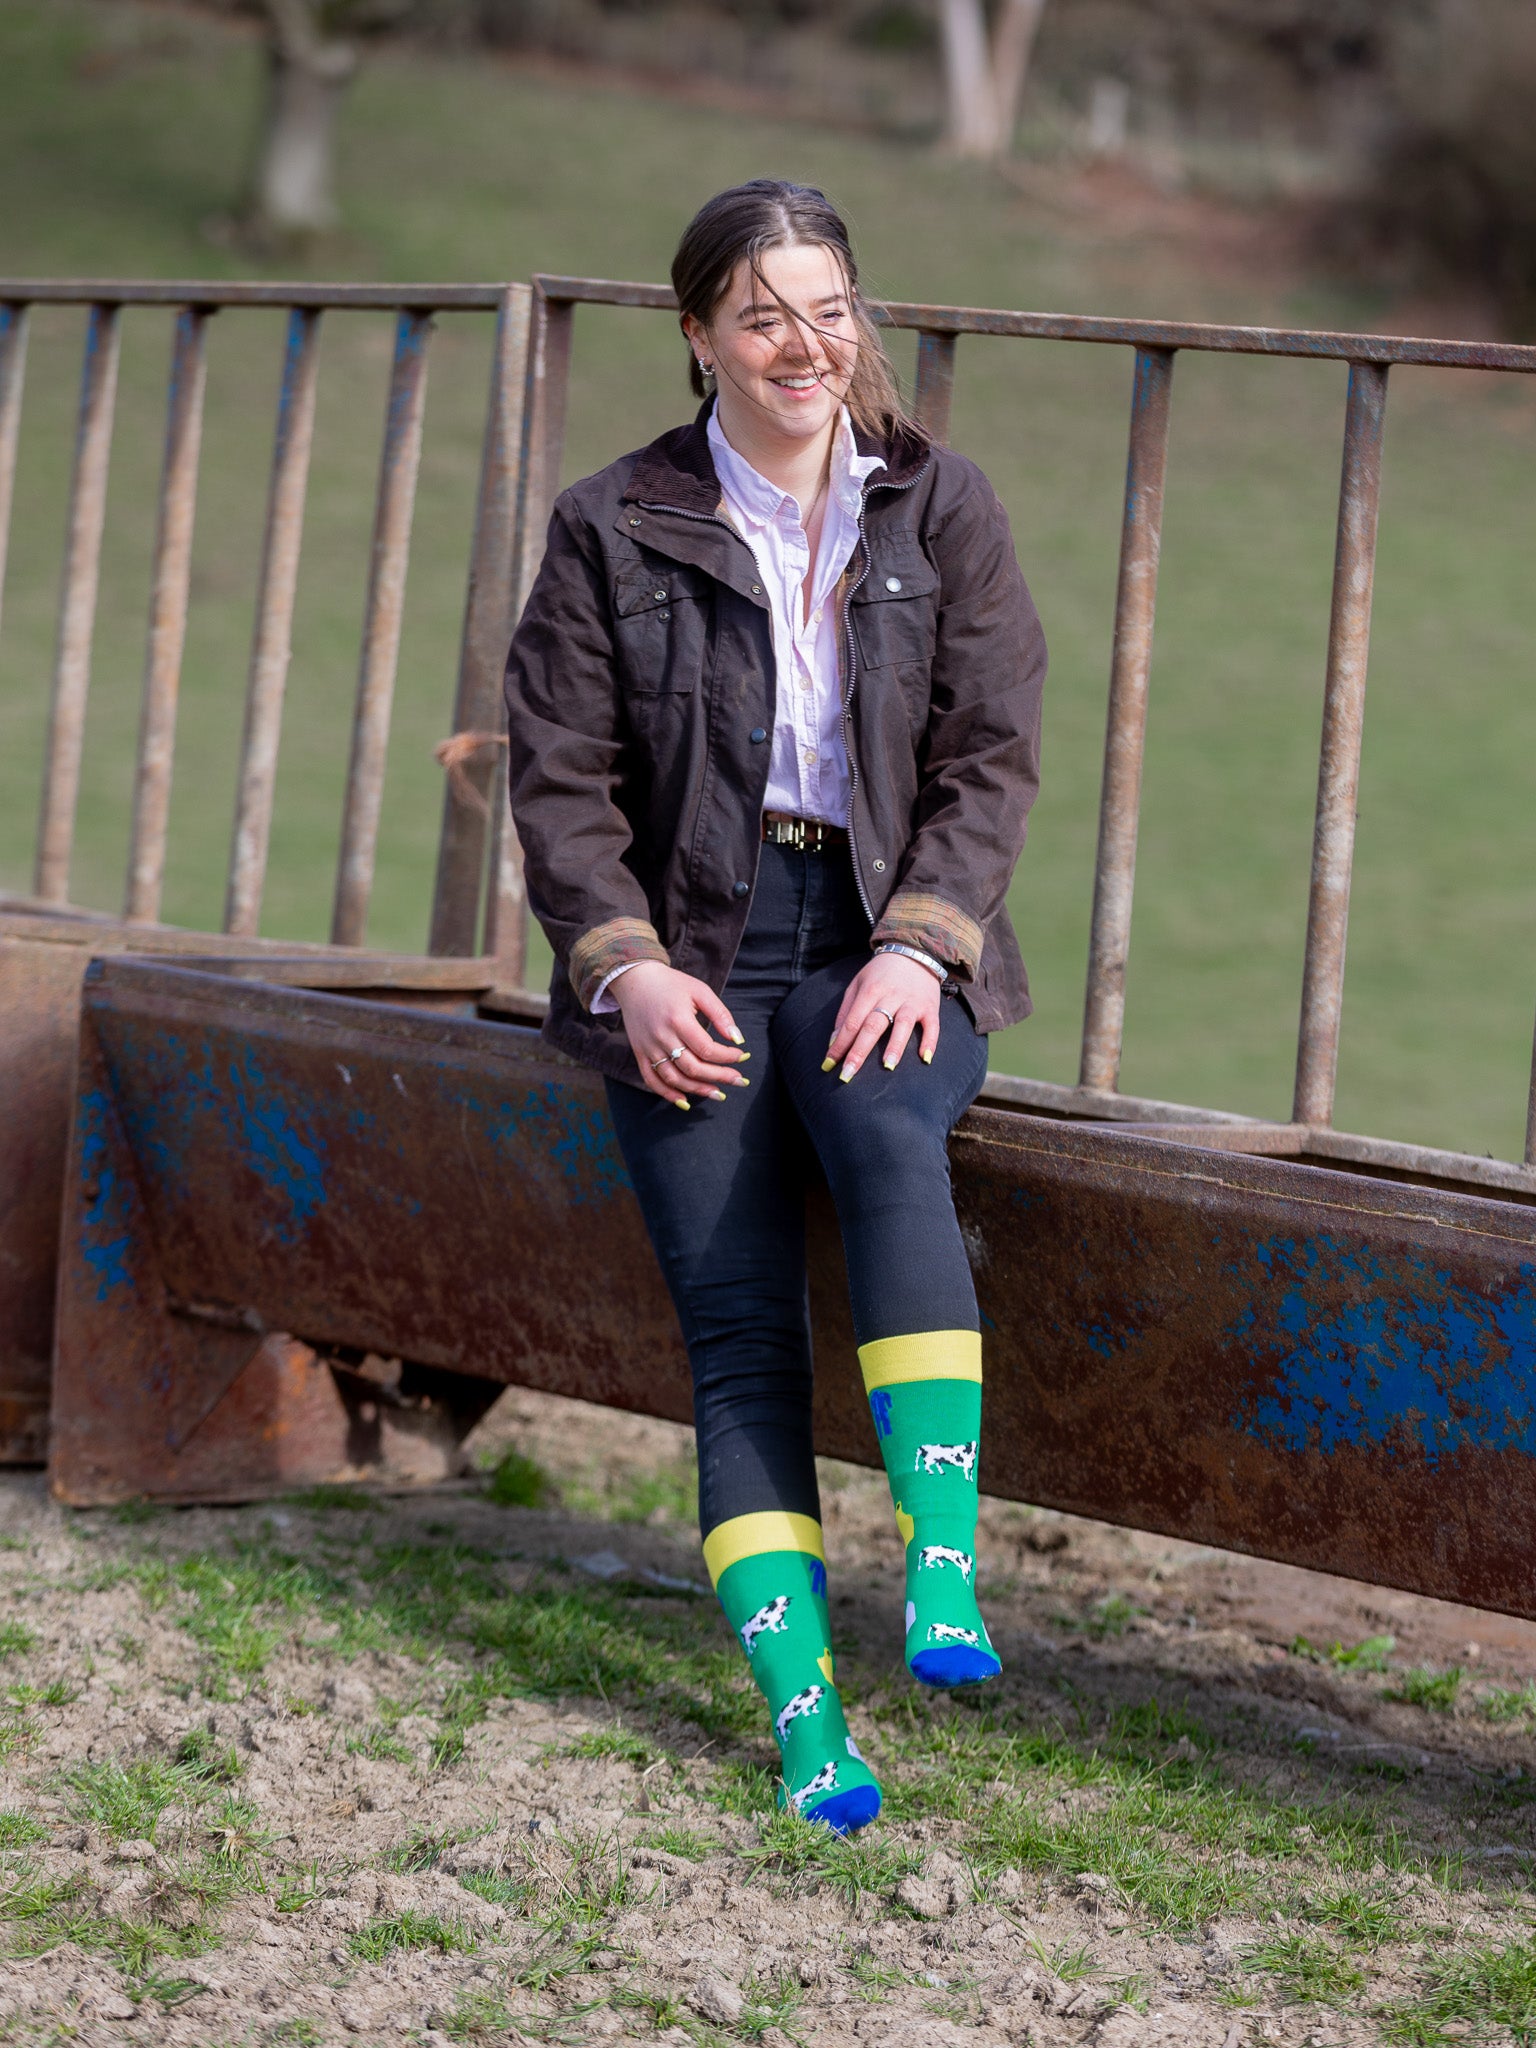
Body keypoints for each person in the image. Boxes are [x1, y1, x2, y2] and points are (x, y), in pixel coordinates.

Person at [505, 179, 1045, 1836]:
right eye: (762, 315)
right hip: (696, 944)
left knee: (888, 1124)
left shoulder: (937, 505)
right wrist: (626, 964)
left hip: (879, 930)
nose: (804, 344)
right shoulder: (613, 525)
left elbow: (991, 756)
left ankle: (942, 1579)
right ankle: (810, 1725)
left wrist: (922, 943)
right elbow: (561, 778)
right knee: (737, 1331)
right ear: (699, 337)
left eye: (827, 308)